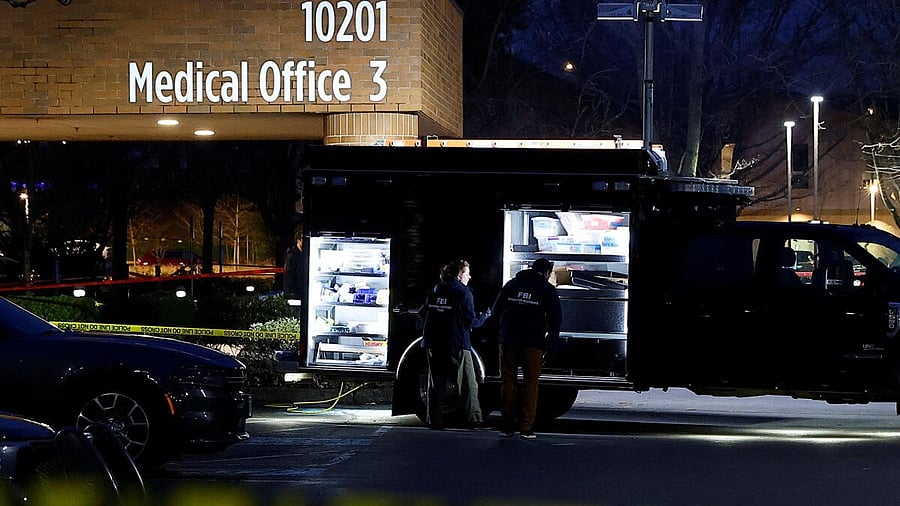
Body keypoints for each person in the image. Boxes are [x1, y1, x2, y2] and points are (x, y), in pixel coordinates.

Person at [491, 257, 561, 439]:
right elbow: (555, 319)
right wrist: (551, 344)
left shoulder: (512, 284)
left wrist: (498, 334)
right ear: (547, 272)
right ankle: (526, 427)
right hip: (533, 342)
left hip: (508, 339)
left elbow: (496, 310)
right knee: (531, 383)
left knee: (508, 381)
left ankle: (506, 426)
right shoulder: (547, 289)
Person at [421, 259, 489, 430]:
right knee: (467, 383)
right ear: (459, 275)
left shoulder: (435, 289)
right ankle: (474, 419)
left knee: (435, 383)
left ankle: (434, 420)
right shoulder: (464, 293)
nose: (470, 276)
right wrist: (485, 317)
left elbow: (423, 313)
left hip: (433, 342)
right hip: (456, 343)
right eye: (467, 273)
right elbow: (470, 321)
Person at [283, 230, 304, 319]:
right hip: (294, 295)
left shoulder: (301, 254)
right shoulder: (292, 255)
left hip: (298, 293)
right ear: (298, 241)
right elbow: (290, 276)